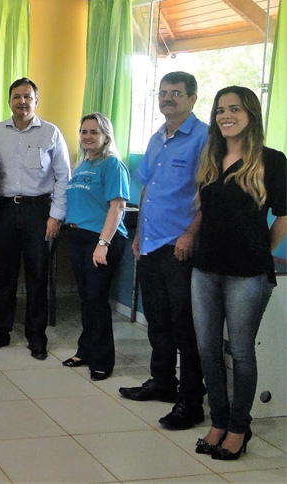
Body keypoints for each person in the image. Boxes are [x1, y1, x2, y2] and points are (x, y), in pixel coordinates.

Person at [190, 86, 286, 460]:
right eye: (220, 110)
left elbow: (284, 215)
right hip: (205, 269)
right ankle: (218, 420)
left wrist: (262, 250)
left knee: (242, 352)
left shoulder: (272, 160)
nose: (225, 115)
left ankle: (239, 428)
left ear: (251, 115)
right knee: (207, 349)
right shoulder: (211, 156)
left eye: (234, 109)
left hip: (248, 273)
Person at [120, 72, 208, 431]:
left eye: (176, 93)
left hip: (180, 247)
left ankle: (191, 400)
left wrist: (190, 234)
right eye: (164, 93)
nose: (168, 98)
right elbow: (148, 189)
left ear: (192, 98)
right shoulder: (158, 137)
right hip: (151, 242)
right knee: (156, 319)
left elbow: (209, 195)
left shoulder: (205, 138)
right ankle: (162, 383)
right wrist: (139, 232)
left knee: (184, 326)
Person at [0, 77, 71, 359]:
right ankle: (0, 332)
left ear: (36, 101)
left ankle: (37, 336)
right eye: (17, 96)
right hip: (5, 210)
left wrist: (55, 216)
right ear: (9, 100)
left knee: (37, 276)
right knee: (4, 276)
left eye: (27, 96)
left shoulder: (51, 133)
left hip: (39, 211)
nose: (22, 101)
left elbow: (63, 178)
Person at [62, 113, 129, 381]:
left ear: (106, 137)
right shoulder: (80, 165)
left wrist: (103, 244)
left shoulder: (111, 164)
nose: (88, 136)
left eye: (94, 132)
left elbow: (118, 206)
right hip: (78, 237)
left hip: (101, 239)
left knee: (97, 301)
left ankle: (102, 360)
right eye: (84, 131)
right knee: (87, 299)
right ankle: (85, 350)